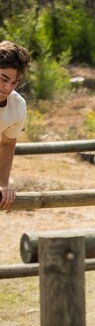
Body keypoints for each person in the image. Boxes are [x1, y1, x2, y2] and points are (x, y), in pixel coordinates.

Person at [0, 40, 31, 209]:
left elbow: (7, 142)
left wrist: (3, 183)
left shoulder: (17, 106)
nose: (7, 88)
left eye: (14, 82)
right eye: (3, 79)